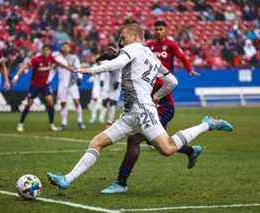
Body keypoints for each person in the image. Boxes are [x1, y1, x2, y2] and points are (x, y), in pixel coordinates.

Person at [47, 24, 233, 191]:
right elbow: (172, 81)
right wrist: (156, 97)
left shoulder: (133, 48)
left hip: (142, 112)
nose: (121, 40)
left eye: (123, 36)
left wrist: (90, 70)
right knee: (97, 142)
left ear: (133, 35)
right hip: (131, 114)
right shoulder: (151, 56)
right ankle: (67, 179)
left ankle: (207, 124)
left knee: (167, 149)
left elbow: (118, 63)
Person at [101, 20, 202, 194]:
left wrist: (189, 69)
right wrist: (116, 55)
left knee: (142, 141)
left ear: (166, 30)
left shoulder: (170, 44)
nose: (157, 31)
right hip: (146, 100)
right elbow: (129, 56)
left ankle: (121, 182)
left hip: (162, 104)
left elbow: (182, 57)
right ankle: (190, 150)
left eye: (160, 29)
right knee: (151, 142)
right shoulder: (147, 47)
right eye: (155, 29)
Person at [12, 44, 73, 132]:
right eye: (45, 50)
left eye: (48, 50)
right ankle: (20, 123)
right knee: (29, 104)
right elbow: (25, 66)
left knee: (50, 102)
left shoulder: (51, 58)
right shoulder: (36, 59)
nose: (46, 52)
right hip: (35, 85)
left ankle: (51, 124)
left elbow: (59, 63)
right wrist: (17, 76)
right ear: (42, 51)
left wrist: (69, 68)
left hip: (45, 85)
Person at [55, 42, 86, 130]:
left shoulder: (73, 57)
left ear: (69, 48)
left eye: (67, 47)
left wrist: (80, 77)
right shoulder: (58, 58)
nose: (65, 48)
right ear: (61, 48)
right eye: (63, 47)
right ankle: (63, 123)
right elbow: (53, 69)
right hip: (62, 84)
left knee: (76, 101)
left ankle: (80, 121)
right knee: (63, 103)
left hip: (72, 83)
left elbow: (78, 67)